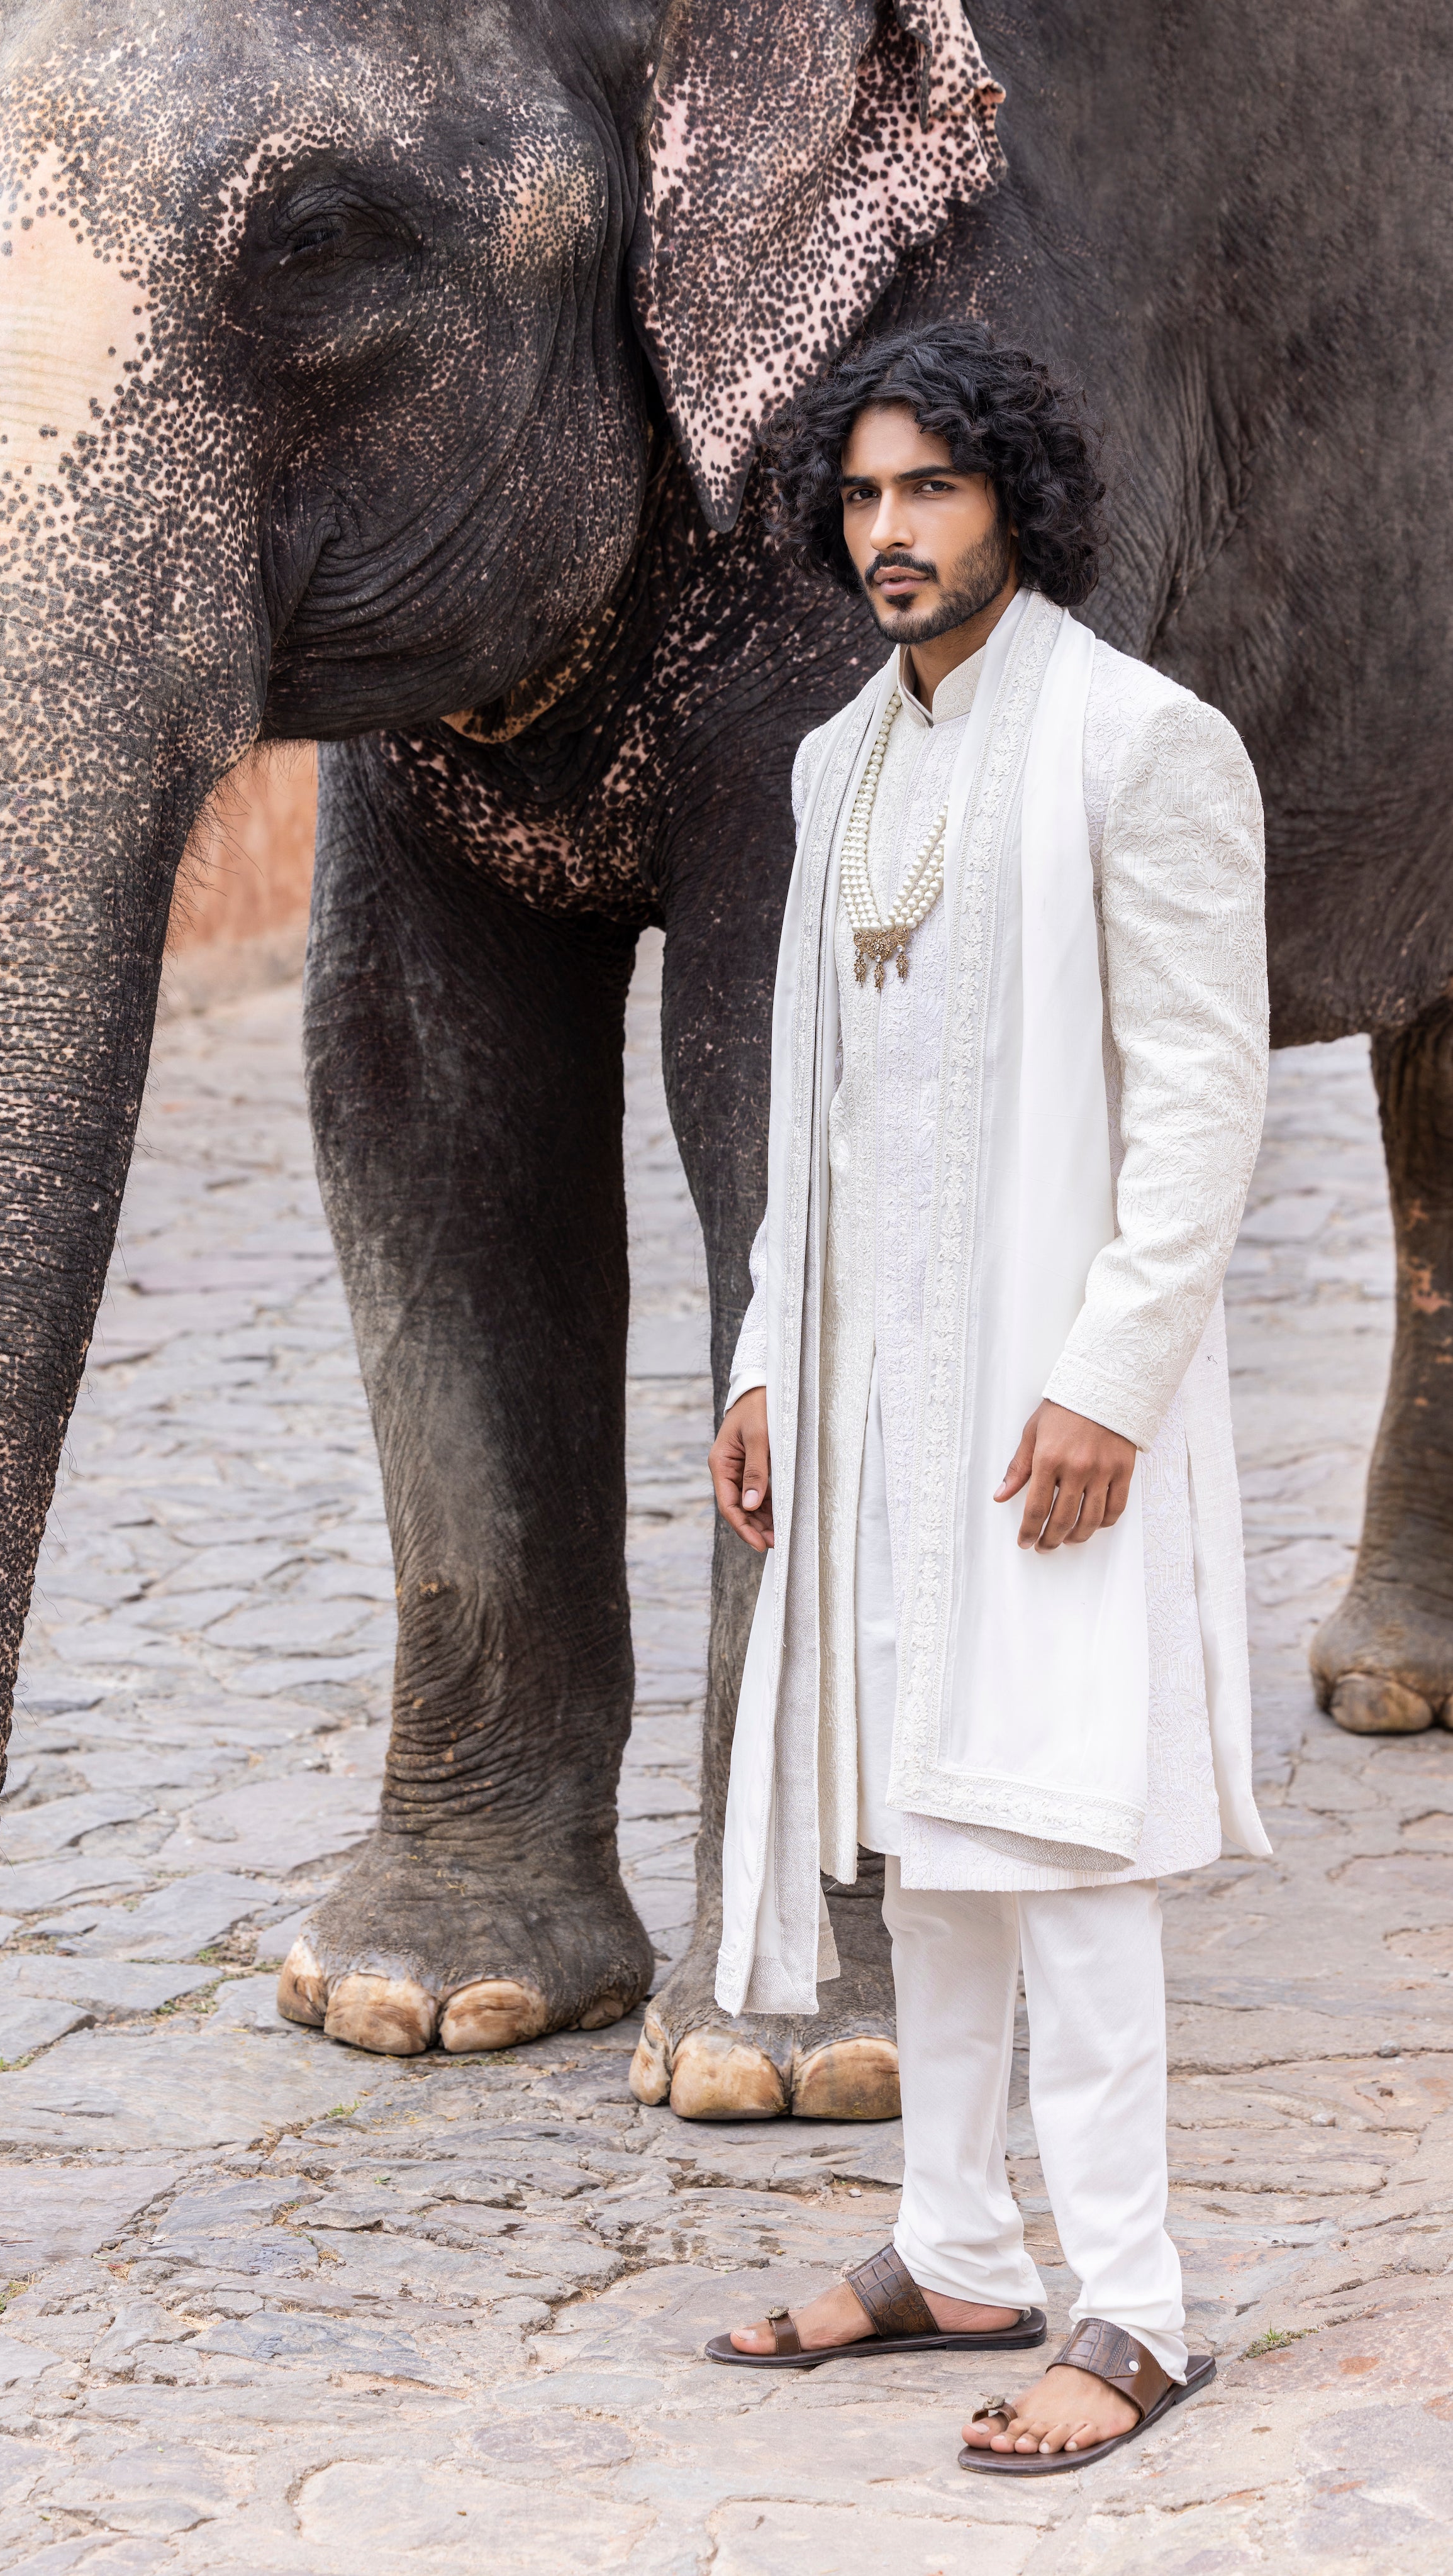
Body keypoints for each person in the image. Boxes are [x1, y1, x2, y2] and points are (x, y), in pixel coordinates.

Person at [701, 321, 1270, 2473]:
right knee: (929, 1839)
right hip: (877, 1408)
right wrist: (767, 1363)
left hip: (1058, 1409)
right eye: (860, 496)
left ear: (1010, 499)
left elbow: (1202, 1101)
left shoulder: (1142, 743)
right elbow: (813, 1117)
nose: (890, 531)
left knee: (1065, 1835)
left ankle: (1132, 2307)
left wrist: (1109, 1379)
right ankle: (952, 2249)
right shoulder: (835, 765)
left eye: (928, 488)